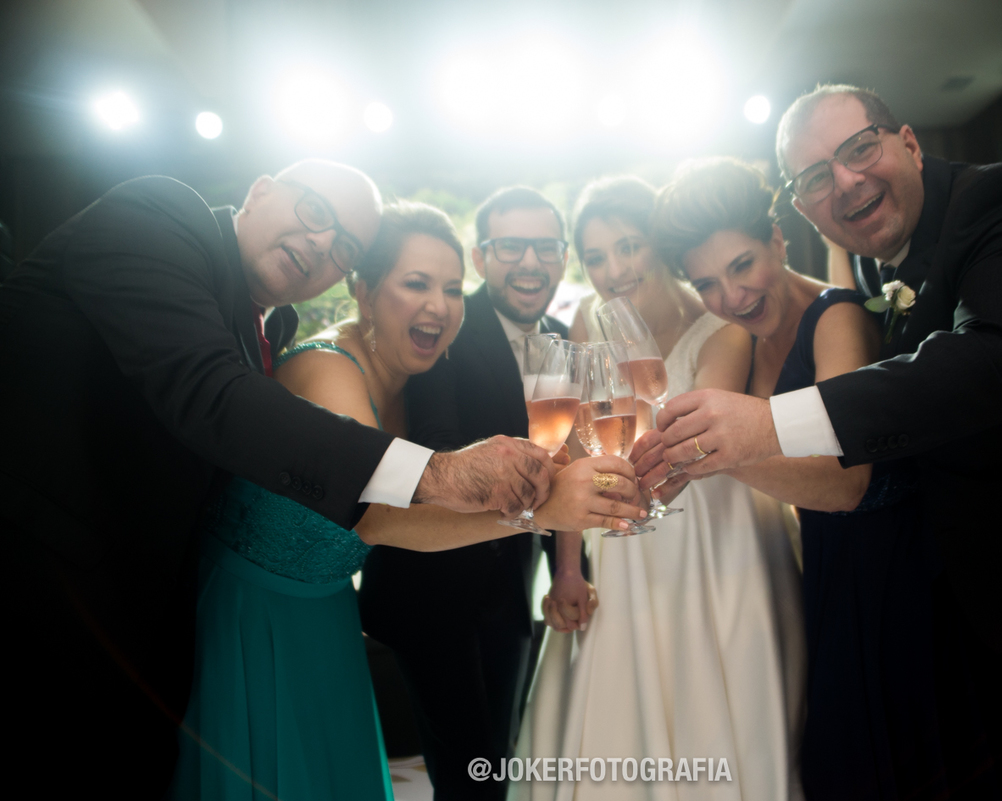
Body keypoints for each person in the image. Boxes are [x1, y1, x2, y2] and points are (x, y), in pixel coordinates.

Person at [645, 85, 1002, 800]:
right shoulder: (883, 266)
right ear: (803, 206)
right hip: (994, 602)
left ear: (907, 140)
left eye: (859, 149)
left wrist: (769, 425)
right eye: (815, 178)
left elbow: (992, 362)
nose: (845, 181)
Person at [0, 161, 559, 796]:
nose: (323, 243)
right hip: (40, 567)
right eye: (316, 212)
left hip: (160, 605)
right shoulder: (159, 213)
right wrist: (446, 474)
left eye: (344, 244)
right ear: (260, 190)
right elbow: (213, 396)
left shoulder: (270, 327)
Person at [171, 202, 645, 800]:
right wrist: (541, 511)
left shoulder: (416, 373)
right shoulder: (326, 367)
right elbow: (374, 515)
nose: (440, 306)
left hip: (326, 614)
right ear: (363, 291)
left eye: (451, 289)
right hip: (252, 620)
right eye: (416, 284)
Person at [635, 157, 980, 801]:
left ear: (777, 239)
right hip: (823, 563)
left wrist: (719, 454)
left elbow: (845, 483)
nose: (731, 297)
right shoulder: (742, 337)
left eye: (742, 266)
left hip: (890, 573)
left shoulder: (838, 316)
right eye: (706, 284)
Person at [512, 175, 804, 801]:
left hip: (715, 530)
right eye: (594, 256)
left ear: (661, 248)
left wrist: (627, 490)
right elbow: (571, 455)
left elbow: (694, 446)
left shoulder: (720, 327)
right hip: (625, 530)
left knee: (717, 684)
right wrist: (570, 565)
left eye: (629, 246)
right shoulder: (589, 322)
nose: (613, 269)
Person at [359, 187, 585, 799]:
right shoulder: (445, 324)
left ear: (564, 257)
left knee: (500, 755)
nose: (530, 263)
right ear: (482, 258)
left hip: (510, 581)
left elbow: (578, 457)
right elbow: (435, 446)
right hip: (430, 585)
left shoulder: (566, 337)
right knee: (465, 767)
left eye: (546, 247)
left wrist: (573, 568)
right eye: (511, 246)